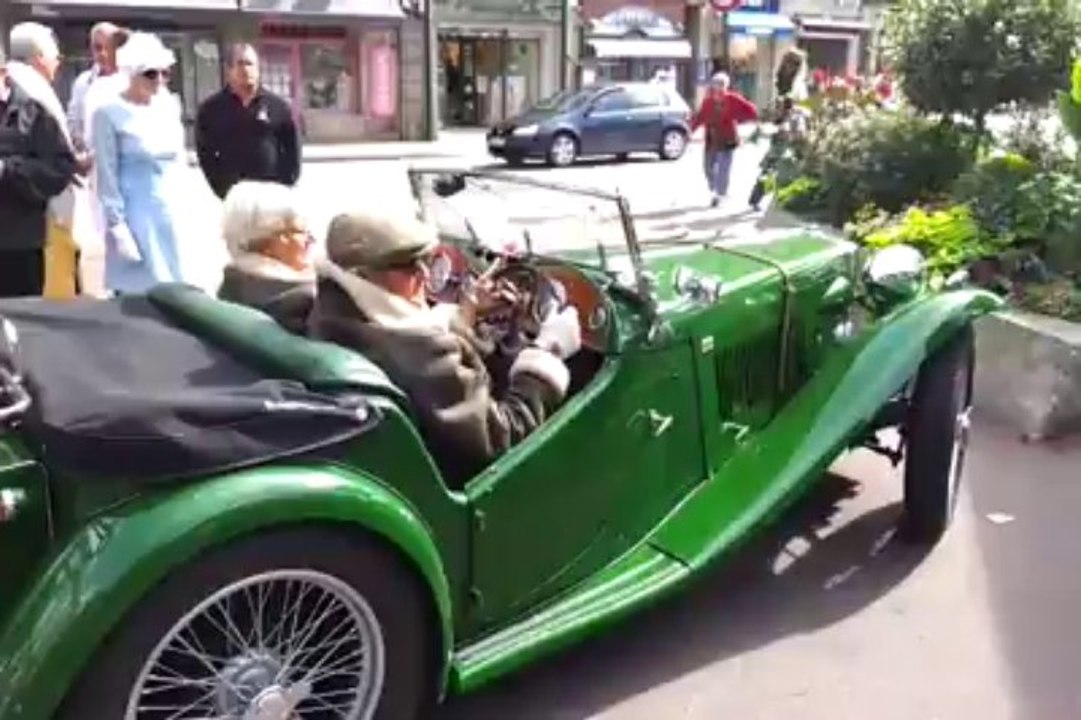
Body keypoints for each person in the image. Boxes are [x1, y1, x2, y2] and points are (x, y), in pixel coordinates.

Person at [308, 210, 582, 487]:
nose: (425, 275)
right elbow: (504, 438)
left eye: (427, 261)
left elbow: (438, 354)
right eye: (409, 266)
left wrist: (465, 317)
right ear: (362, 275)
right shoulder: (418, 354)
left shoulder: (331, 308)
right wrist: (547, 353)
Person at [91, 31, 187, 294]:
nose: (159, 80)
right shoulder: (108, 113)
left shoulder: (167, 108)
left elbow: (179, 161)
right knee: (142, 288)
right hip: (135, 212)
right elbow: (106, 174)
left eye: (164, 73)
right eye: (150, 73)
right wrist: (116, 225)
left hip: (169, 208)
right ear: (131, 73)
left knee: (178, 283)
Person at [0, 23, 80, 299]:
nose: (56, 64)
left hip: (17, 243)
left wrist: (7, 170)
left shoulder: (32, 109)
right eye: (52, 57)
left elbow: (59, 166)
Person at [195, 43, 301, 200]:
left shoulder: (277, 106)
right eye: (240, 64)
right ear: (228, 70)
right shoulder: (211, 109)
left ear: (258, 69)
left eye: (250, 64)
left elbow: (292, 150)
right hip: (235, 197)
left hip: (272, 195)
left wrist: (284, 185)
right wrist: (222, 190)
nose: (246, 69)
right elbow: (206, 155)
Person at [217, 180, 316, 333]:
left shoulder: (232, 287)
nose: (311, 239)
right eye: (301, 231)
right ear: (266, 242)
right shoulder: (305, 304)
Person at [691, 71, 759, 207]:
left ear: (726, 86)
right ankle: (715, 188)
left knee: (723, 168)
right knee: (707, 167)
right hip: (711, 139)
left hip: (728, 138)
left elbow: (751, 111)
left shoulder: (733, 99)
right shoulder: (708, 101)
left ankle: (719, 194)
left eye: (721, 84)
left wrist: (741, 119)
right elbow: (699, 117)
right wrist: (690, 130)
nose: (718, 87)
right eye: (716, 84)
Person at [67, 22, 124, 150]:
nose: (103, 53)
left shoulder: (133, 81)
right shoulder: (82, 83)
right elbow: (73, 125)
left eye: (109, 47)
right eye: (98, 48)